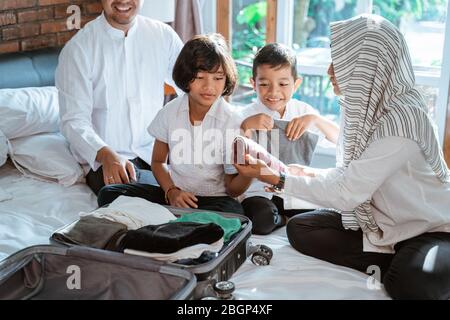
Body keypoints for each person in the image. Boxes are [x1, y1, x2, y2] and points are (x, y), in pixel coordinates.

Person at [234, 14, 450, 300]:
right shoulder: (363, 108)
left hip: (429, 229)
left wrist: (275, 177)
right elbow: (350, 175)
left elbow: (348, 192)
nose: (330, 70)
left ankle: (402, 261)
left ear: (366, 65)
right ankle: (394, 255)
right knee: (300, 228)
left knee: (408, 285)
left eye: (340, 61)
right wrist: (309, 175)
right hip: (381, 221)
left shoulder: (403, 124)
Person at [98, 33, 247, 214]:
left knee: (234, 212)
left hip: (215, 201)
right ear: (186, 76)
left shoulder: (232, 121)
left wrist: (249, 174)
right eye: (200, 77)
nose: (209, 87)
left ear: (226, 79)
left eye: (217, 78)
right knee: (108, 194)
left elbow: (232, 189)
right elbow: (158, 161)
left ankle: (173, 219)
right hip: (174, 195)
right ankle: (175, 217)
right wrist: (171, 191)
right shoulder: (170, 111)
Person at [56, 0, 183, 198]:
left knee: (197, 189)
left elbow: (189, 89)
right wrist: (105, 154)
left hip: (156, 154)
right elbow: (73, 120)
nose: (123, 1)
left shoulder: (163, 36)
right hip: (106, 160)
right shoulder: (79, 48)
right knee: (136, 200)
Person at [235, 43, 339, 235]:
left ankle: (289, 219)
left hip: (294, 189)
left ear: (296, 84)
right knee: (261, 220)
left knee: (318, 214)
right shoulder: (244, 115)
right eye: (264, 84)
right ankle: (282, 219)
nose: (274, 92)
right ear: (253, 83)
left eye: (283, 84)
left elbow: (340, 139)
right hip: (259, 193)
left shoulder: (303, 112)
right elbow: (235, 155)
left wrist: (315, 119)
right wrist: (245, 127)